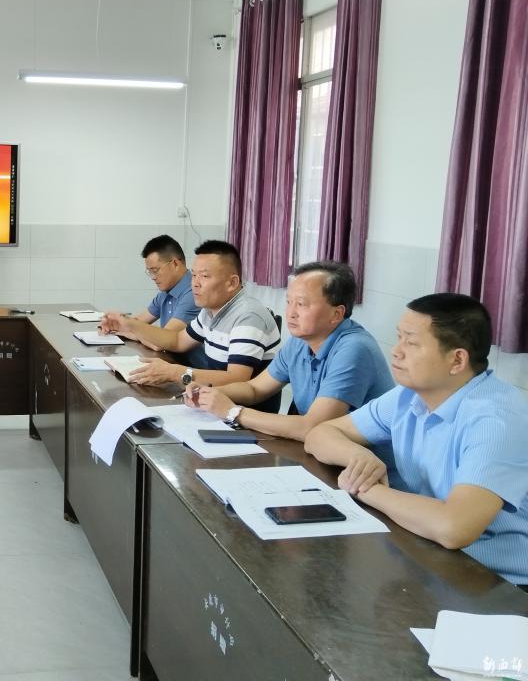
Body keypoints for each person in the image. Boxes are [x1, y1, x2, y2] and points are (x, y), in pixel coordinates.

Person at [305, 293, 528, 587]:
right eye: (399, 338)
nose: (396, 352)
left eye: (411, 343)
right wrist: (359, 458)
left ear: (457, 360)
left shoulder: (495, 421)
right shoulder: (409, 396)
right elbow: (319, 435)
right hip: (429, 553)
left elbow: (454, 527)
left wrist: (365, 488)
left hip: (498, 584)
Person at [184, 261, 393, 439]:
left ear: (336, 314)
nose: (291, 313)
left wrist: (233, 412)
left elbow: (312, 427)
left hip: (365, 466)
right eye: (289, 302)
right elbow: (255, 389)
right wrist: (210, 394)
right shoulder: (300, 342)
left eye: (301, 304)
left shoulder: (354, 349)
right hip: (321, 455)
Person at [101, 240, 281, 411]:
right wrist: (129, 325)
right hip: (212, 401)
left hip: (242, 413)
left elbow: (237, 378)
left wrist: (176, 373)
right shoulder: (211, 311)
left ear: (232, 283)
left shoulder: (248, 316)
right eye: (194, 275)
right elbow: (178, 340)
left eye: (204, 276)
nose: (195, 283)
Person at [99, 234, 205, 367]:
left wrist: (132, 331)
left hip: (193, 370)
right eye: (150, 272)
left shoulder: (193, 293)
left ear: (175, 264)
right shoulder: (166, 292)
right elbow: (137, 322)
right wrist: (115, 325)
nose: (153, 277)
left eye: (155, 270)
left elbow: (161, 343)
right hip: (171, 364)